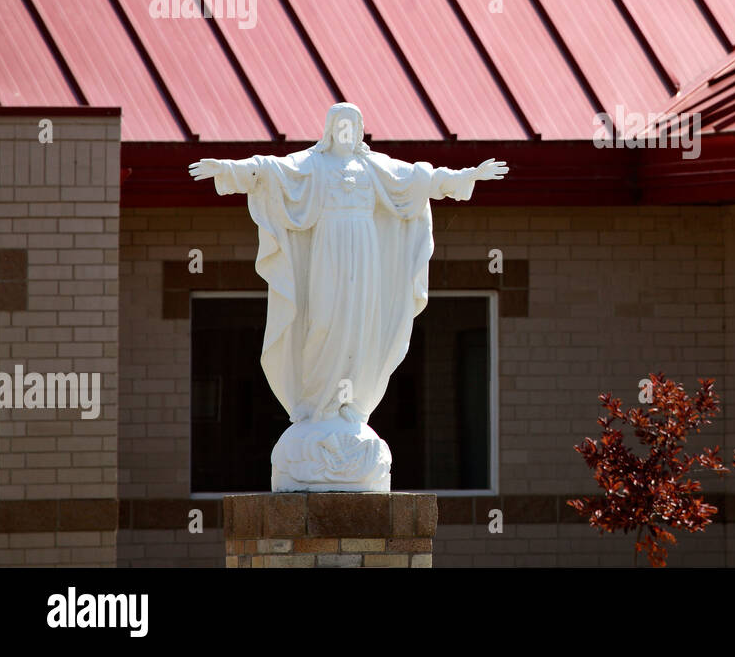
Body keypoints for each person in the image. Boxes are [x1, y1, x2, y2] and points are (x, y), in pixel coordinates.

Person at [188, 102, 507, 490]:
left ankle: (348, 409)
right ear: (328, 129)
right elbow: (273, 171)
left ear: (359, 131)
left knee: (358, 328)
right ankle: (319, 406)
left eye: (351, 124)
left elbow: (418, 179)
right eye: (338, 124)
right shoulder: (314, 165)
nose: (345, 130)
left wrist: (466, 176)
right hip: (328, 251)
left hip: (364, 252)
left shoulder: (373, 168)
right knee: (324, 322)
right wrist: (228, 170)